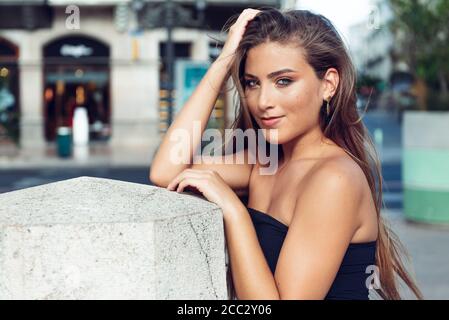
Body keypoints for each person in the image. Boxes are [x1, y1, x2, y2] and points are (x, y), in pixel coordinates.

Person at [149, 8, 422, 300]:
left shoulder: (335, 179)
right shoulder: (264, 162)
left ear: (328, 85)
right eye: (253, 83)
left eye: (283, 81)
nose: (263, 101)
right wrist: (223, 61)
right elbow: (166, 171)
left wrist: (235, 211)